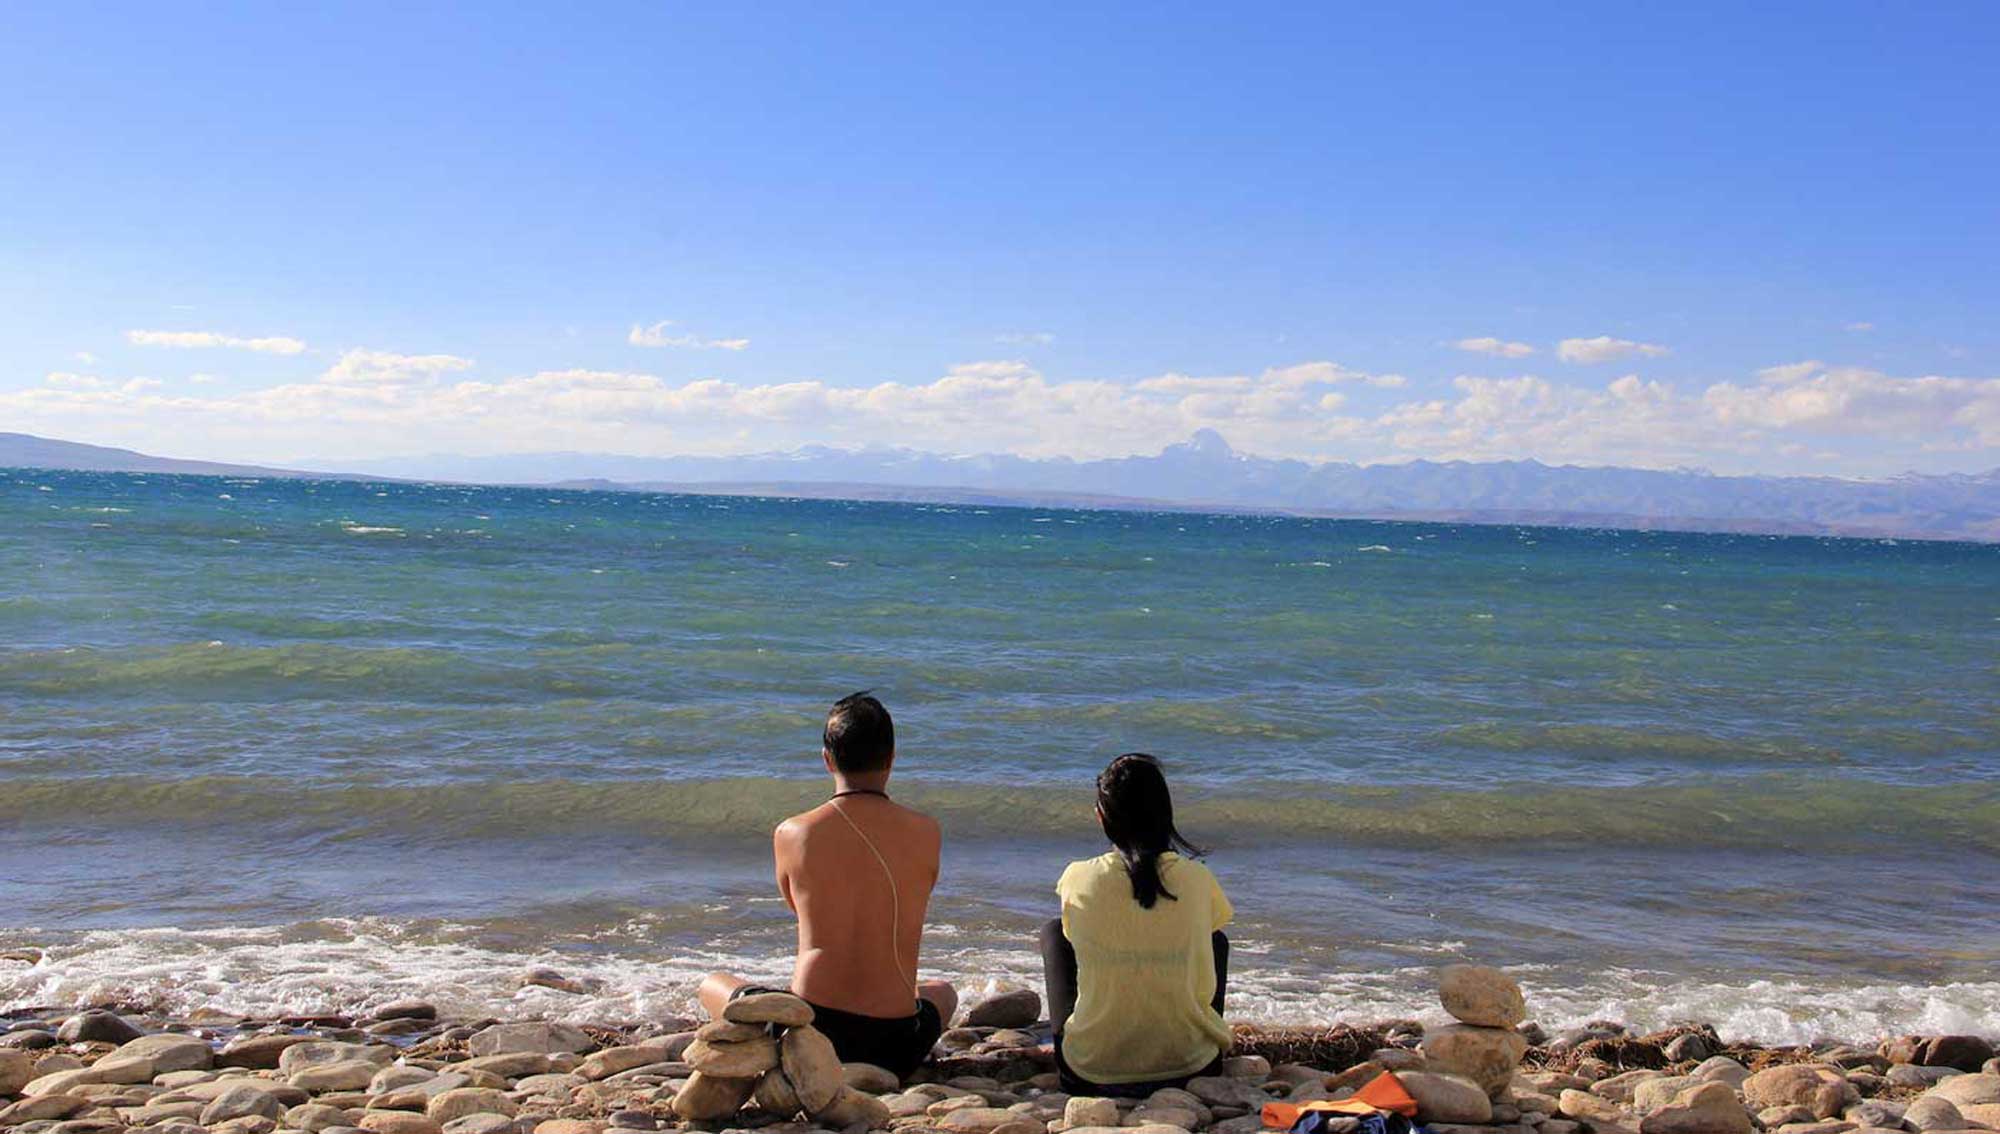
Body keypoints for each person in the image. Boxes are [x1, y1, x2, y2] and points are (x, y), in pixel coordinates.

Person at [698, 692, 956, 1077]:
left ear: (827, 759)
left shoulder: (793, 832)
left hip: (809, 1034)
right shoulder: (926, 831)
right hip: (897, 1044)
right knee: (943, 992)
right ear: (891, 758)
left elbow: (796, 906)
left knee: (712, 983)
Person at [1041, 753, 1232, 1096]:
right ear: (1165, 815)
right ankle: (1194, 1030)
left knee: (1056, 933)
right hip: (1192, 1066)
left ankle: (1090, 1033)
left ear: (1102, 817)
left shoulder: (1077, 876)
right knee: (1215, 938)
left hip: (1090, 1070)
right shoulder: (1197, 878)